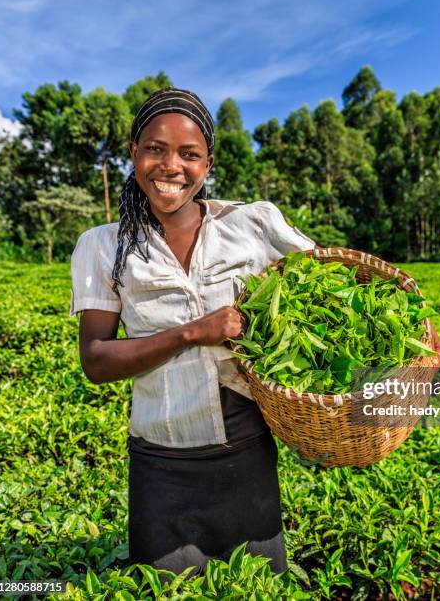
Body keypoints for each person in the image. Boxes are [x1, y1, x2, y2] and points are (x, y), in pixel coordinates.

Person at [70, 88, 316, 575]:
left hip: (246, 456)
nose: (170, 166)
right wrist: (192, 332)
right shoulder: (102, 246)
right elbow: (96, 361)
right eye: (155, 148)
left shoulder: (253, 224)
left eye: (189, 154)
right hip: (161, 466)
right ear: (134, 153)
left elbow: (328, 293)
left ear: (208, 164)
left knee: (257, 585)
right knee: (166, 585)